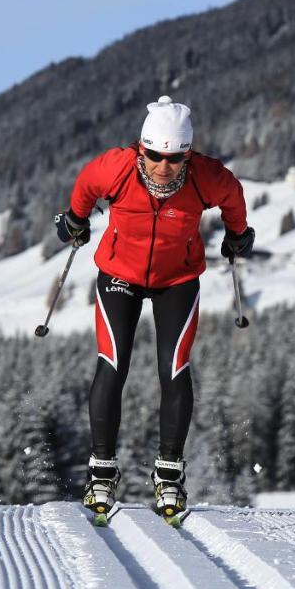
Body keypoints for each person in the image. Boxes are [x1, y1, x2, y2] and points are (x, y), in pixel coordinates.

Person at [53, 96, 255, 519]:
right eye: (155, 156)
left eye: (175, 158)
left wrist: (238, 234)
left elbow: (233, 197)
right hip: (119, 275)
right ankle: (102, 474)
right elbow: (86, 185)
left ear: (188, 154)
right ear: (140, 149)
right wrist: (75, 219)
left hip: (176, 280)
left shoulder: (207, 175)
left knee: (175, 369)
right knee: (112, 363)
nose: (164, 167)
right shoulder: (117, 167)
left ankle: (168, 476)